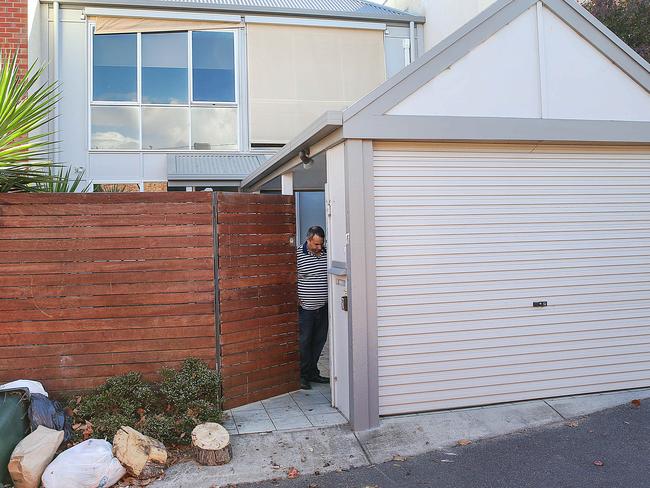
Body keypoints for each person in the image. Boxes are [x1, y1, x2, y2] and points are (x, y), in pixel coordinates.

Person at [296, 226, 330, 390]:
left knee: (319, 341)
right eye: (316, 244)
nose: (319, 247)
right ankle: (302, 375)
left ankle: (313, 372)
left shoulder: (327, 254)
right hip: (305, 310)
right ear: (308, 240)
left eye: (321, 244)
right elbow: (289, 278)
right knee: (304, 342)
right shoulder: (297, 255)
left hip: (322, 308)